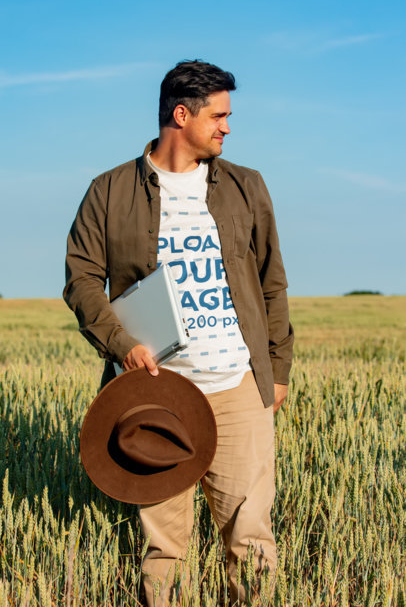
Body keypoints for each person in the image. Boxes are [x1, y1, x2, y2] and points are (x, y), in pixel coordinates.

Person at [64, 59, 294, 606]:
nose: (227, 127)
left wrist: (277, 370)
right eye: (218, 116)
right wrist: (123, 346)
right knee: (164, 549)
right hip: (157, 391)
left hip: (238, 385)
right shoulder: (110, 190)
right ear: (181, 114)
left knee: (251, 539)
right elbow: (81, 280)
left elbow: (272, 282)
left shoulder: (247, 186)